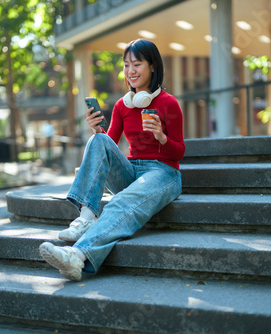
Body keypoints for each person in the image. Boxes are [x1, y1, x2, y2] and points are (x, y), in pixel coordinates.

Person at [39, 39, 185, 281]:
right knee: (97, 140)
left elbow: (179, 152)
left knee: (120, 202)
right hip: (131, 171)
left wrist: (161, 136)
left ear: (152, 66)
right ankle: (86, 217)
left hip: (163, 172)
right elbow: (108, 144)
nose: (130, 71)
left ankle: (77, 256)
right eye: (126, 65)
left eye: (137, 64)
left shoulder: (169, 104)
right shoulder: (122, 106)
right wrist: (97, 129)